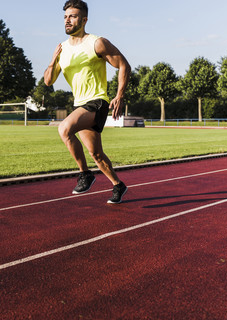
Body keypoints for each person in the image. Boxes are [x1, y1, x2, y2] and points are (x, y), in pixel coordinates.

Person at [44, 0, 131, 204]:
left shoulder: (97, 43)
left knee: (64, 129)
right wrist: (53, 59)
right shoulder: (62, 49)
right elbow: (48, 81)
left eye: (72, 16)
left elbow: (124, 65)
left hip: (97, 101)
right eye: (65, 17)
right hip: (80, 105)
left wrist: (119, 95)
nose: (67, 20)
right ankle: (118, 185)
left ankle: (85, 174)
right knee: (96, 154)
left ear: (84, 20)